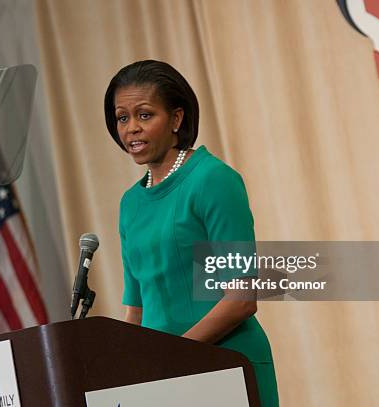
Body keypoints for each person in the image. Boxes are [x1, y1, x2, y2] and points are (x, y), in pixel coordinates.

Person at [105, 60, 279, 406]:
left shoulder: (212, 180)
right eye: (122, 118)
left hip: (226, 366)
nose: (131, 129)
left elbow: (242, 299)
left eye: (144, 115)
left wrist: (172, 356)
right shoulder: (130, 204)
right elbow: (137, 310)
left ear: (176, 119)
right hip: (165, 378)